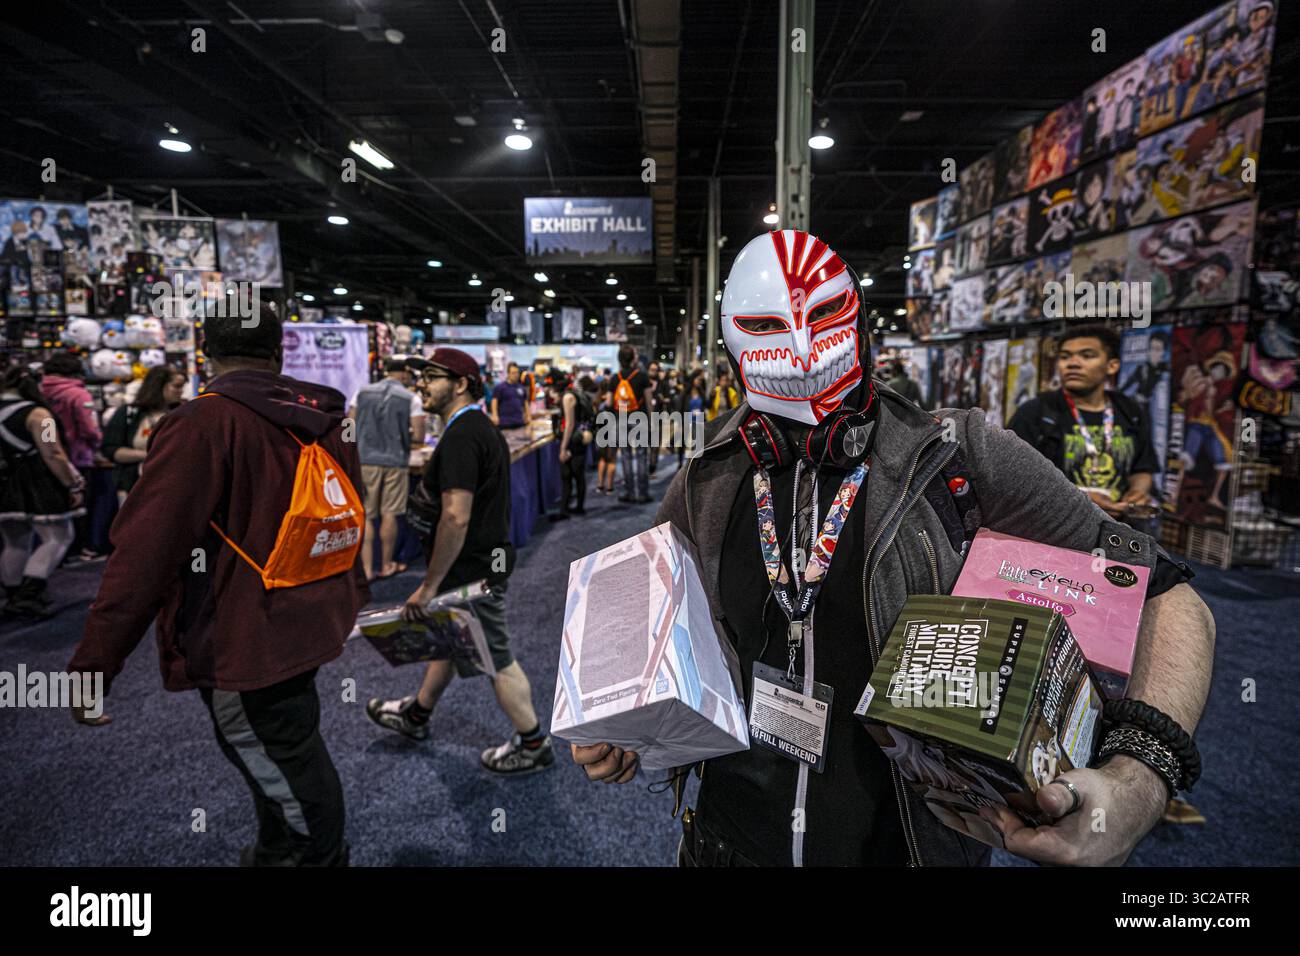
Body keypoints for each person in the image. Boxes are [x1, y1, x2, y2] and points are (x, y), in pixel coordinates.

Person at [571, 229, 1214, 869]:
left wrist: (1138, 778)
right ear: (735, 347)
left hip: (904, 847)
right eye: (768, 327)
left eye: (821, 315)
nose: (799, 347)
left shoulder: (961, 458)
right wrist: (628, 726)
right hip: (723, 841)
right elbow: (648, 632)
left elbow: (1166, 595)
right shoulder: (708, 474)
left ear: (858, 318)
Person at [66, 303, 368, 866]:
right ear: (278, 352)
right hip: (310, 621)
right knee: (288, 750)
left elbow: (142, 559)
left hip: (243, 636)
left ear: (206, 355)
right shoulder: (326, 416)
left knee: (289, 771)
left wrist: (92, 668)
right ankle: (278, 851)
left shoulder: (201, 423)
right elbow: (348, 515)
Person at [366, 348, 553, 775]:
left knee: (495, 656)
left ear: (461, 383)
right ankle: (416, 715)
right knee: (452, 639)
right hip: (483, 563)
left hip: (474, 571)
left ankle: (534, 743)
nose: (422, 385)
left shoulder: (463, 435)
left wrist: (429, 586)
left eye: (432, 377)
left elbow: (455, 515)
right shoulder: (473, 429)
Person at [1008, 324, 1158, 519]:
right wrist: (1076, 498)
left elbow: (1142, 468)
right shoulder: (1036, 412)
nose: (1073, 363)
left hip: (1117, 530)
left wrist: (1137, 494)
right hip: (1054, 530)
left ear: (1112, 366)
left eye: (1087, 356)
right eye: (1065, 356)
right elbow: (1013, 478)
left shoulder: (1130, 410)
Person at [0, 363, 84, 617]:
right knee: (57, 537)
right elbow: (53, 452)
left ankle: (14, 594)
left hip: (4, 485)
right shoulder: (39, 415)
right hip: (38, 484)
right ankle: (30, 592)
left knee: (14, 541)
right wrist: (73, 482)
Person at [349, 357, 426, 581]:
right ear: (403, 375)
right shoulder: (410, 398)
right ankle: (386, 565)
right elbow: (420, 436)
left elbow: (349, 425)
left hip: (365, 461)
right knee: (390, 513)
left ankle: (366, 568)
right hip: (395, 462)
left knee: (367, 514)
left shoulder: (361, 393)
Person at [40, 352, 103, 559]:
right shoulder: (78, 394)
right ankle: (76, 550)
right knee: (79, 506)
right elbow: (89, 429)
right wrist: (96, 444)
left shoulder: (38, 392)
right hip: (77, 457)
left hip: (44, 457)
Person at [102, 364, 187, 504]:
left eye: (182, 387)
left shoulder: (184, 413)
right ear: (158, 386)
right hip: (136, 487)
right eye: (177, 386)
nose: (181, 391)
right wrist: (153, 456)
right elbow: (110, 449)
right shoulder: (129, 414)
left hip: (175, 488)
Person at [546, 370, 593, 521]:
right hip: (579, 438)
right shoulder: (572, 393)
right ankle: (576, 507)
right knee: (576, 475)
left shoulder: (567, 397)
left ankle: (566, 510)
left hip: (574, 440)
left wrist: (563, 447)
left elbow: (569, 424)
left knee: (568, 475)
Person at [612, 345, 653, 504]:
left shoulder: (616, 378)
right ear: (633, 358)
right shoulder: (642, 376)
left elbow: (610, 401)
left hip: (621, 419)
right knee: (642, 456)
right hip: (640, 418)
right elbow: (649, 400)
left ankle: (630, 492)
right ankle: (642, 494)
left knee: (626, 457)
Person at [490, 361, 531, 431]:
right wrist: (494, 415)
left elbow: (525, 403)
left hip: (520, 423)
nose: (516, 375)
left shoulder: (521, 388)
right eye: (513, 373)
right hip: (505, 424)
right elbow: (494, 401)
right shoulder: (500, 387)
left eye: (517, 372)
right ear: (508, 374)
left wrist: (528, 415)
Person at [593, 382, 618, 495]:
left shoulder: (597, 400)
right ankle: (610, 487)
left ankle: (600, 485)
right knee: (612, 459)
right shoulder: (614, 400)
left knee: (602, 459)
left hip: (600, 430)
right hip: (613, 429)